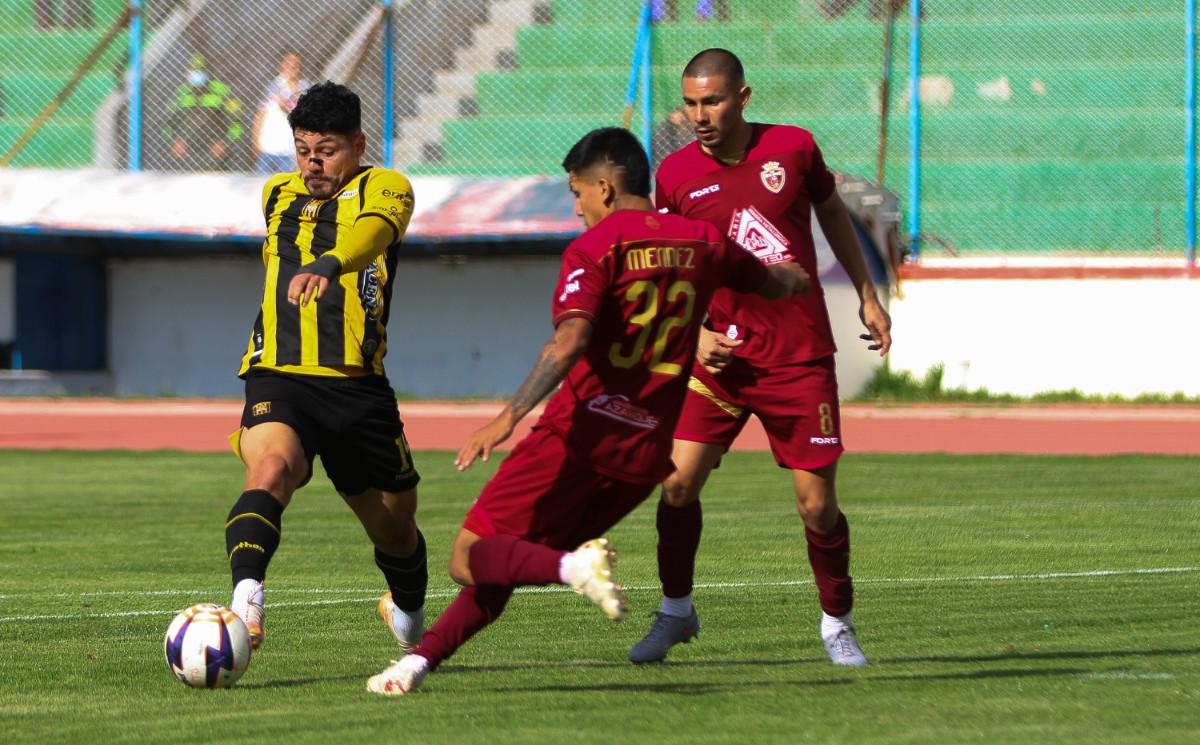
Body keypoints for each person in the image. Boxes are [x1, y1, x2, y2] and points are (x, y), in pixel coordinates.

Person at [365, 127, 810, 696]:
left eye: (577, 194)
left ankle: (574, 569)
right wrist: (799, 281)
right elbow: (772, 279)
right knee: (505, 564)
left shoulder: (598, 246)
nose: (576, 208)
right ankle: (414, 665)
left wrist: (509, 416)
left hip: (575, 438)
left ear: (604, 186)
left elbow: (568, 342)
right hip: (641, 457)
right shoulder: (705, 241)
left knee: (468, 558)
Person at [628, 48, 893, 667]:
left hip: (797, 358)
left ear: (743, 98)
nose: (700, 114)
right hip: (717, 361)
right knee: (676, 483)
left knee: (817, 505)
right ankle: (675, 611)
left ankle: (837, 623)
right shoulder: (674, 175)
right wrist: (691, 335)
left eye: (712, 101)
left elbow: (831, 211)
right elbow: (669, 264)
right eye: (691, 103)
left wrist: (866, 293)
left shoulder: (795, 148)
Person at [224, 81, 428, 658]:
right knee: (271, 469)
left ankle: (409, 611)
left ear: (358, 143)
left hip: (358, 390)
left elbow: (374, 236)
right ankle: (246, 603)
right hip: (278, 374)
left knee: (395, 530)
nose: (313, 163)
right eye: (303, 148)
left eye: (328, 149)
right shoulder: (275, 194)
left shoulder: (385, 188)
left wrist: (330, 263)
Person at [162, 54, 245, 171]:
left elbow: (237, 120)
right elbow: (167, 120)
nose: (196, 74)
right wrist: (174, 141)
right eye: (193, 70)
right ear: (187, 72)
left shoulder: (221, 90)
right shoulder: (182, 91)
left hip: (214, 150)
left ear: (207, 72)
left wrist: (226, 143)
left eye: (200, 70)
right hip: (185, 150)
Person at [252, 51, 310, 174]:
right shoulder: (273, 86)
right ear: (281, 65)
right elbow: (260, 114)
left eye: (296, 64)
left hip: (290, 151)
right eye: (288, 63)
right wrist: (256, 142)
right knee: (262, 187)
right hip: (268, 149)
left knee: (286, 189)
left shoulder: (305, 88)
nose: (292, 66)